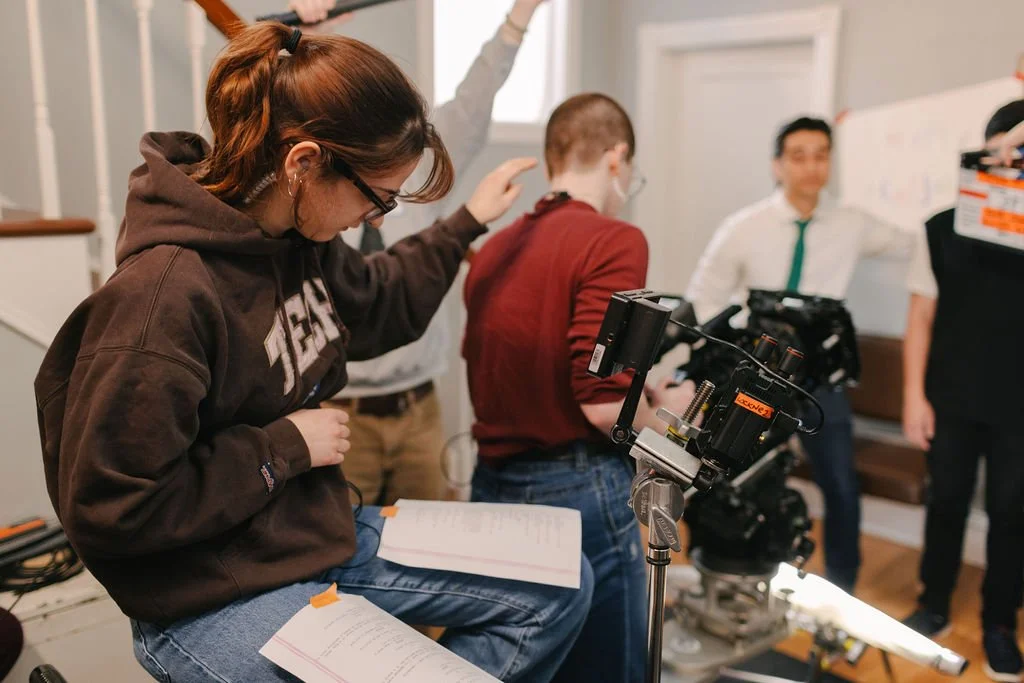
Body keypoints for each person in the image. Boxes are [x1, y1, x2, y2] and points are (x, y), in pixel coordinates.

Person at [33, 23, 593, 683]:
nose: (379, 218)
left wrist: (464, 223)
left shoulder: (301, 242)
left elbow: (378, 303)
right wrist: (285, 447)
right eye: (377, 196)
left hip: (302, 534)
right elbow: (115, 511)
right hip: (203, 589)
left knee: (564, 581)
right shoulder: (163, 297)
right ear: (302, 163)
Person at [463, 93, 696, 683]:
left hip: (491, 482)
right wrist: (668, 415)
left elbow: (524, 362)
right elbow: (601, 403)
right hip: (576, 491)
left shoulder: (493, 249)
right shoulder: (614, 239)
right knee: (608, 667)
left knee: (532, 664)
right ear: (617, 157)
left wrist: (641, 394)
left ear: (553, 160)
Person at [285, 0, 549, 507]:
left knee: (423, 538)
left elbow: (473, 101)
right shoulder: (316, 196)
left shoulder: (422, 167)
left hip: (418, 408)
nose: (378, 214)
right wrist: (307, 45)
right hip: (340, 412)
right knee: (344, 542)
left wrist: (518, 17)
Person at [685, 116, 913, 594]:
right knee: (734, 474)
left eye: (821, 155)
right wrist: (734, 348)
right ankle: (726, 574)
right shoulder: (743, 227)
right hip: (757, 371)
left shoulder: (851, 224)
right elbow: (703, 298)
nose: (811, 166)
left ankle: (844, 588)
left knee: (840, 482)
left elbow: (915, 240)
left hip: (818, 377)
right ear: (778, 164)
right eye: (798, 156)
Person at [901, 99, 1024, 683]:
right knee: (946, 501)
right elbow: (919, 317)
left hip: (1018, 405)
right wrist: (912, 396)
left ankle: (1000, 623)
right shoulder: (940, 228)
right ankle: (934, 603)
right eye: (1005, 149)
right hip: (950, 395)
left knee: (1012, 512)